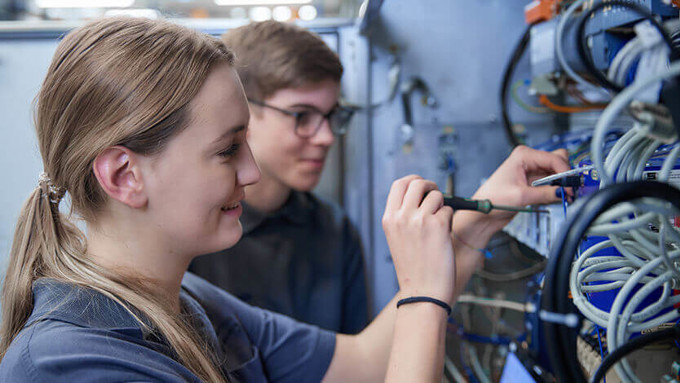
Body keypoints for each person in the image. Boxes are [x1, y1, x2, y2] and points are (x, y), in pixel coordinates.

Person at [0, 17, 570, 382]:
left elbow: (364, 366)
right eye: (227, 150)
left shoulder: (190, 304)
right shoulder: (71, 367)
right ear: (125, 175)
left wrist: (471, 230)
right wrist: (422, 297)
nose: (250, 172)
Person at [188, 20, 368, 334]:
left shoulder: (335, 230)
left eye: (330, 116)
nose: (326, 137)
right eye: (302, 115)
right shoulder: (192, 233)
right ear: (240, 111)